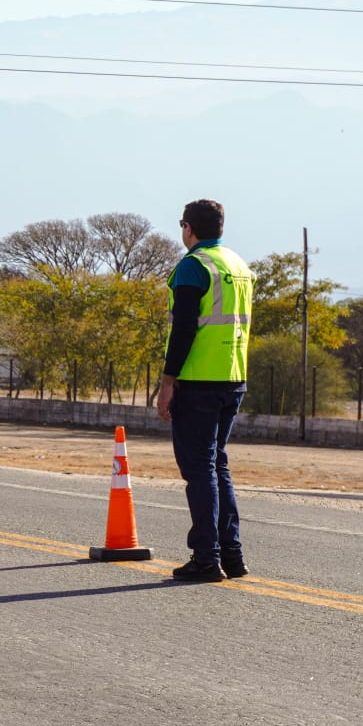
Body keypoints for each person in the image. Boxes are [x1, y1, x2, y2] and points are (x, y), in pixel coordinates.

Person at [156, 199, 255, 582]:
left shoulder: (193, 267)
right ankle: (231, 556)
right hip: (233, 378)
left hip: (197, 381)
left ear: (188, 228)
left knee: (200, 470)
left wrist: (167, 383)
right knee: (218, 466)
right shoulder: (238, 265)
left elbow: (182, 330)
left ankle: (206, 558)